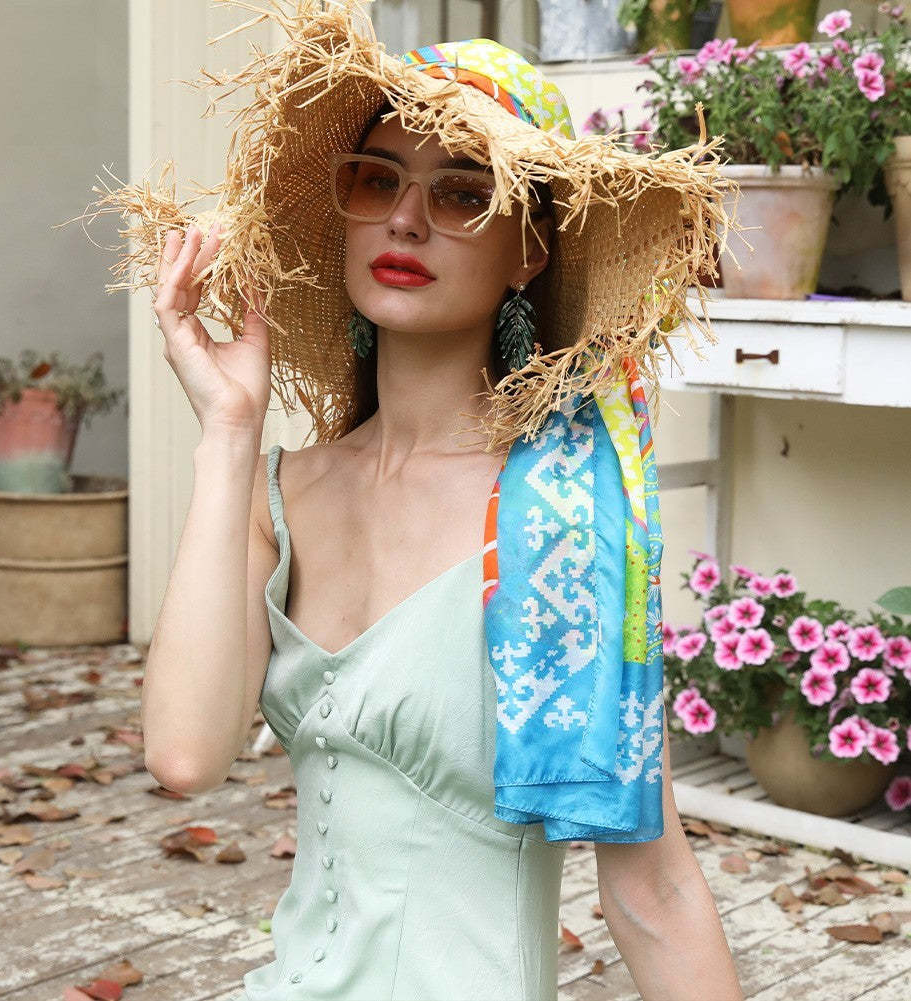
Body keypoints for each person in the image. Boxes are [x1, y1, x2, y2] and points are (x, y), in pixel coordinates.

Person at [102, 3, 744, 998]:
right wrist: (227, 433)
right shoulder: (282, 491)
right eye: (378, 179)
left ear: (528, 249)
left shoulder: (563, 520)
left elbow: (653, 890)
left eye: (462, 193)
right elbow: (185, 754)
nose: (406, 219)